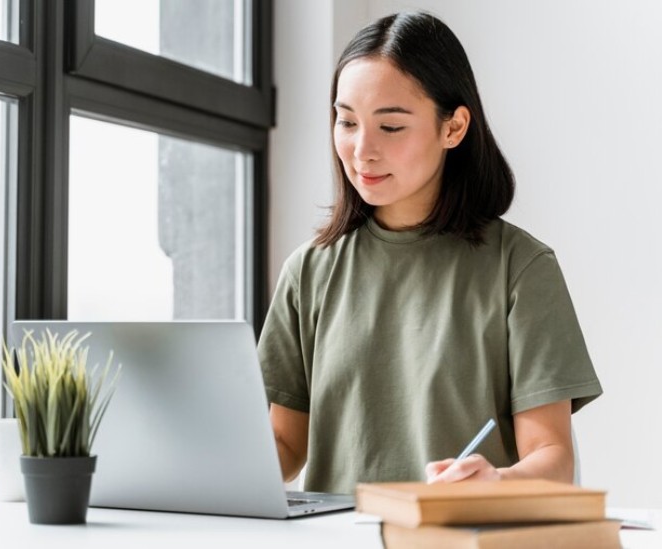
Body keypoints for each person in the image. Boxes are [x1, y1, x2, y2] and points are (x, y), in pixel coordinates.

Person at [258, 11, 603, 495]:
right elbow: (285, 446)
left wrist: (494, 480)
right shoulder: (309, 271)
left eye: (391, 127)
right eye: (346, 121)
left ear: (454, 128)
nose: (361, 150)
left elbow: (552, 459)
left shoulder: (520, 268)